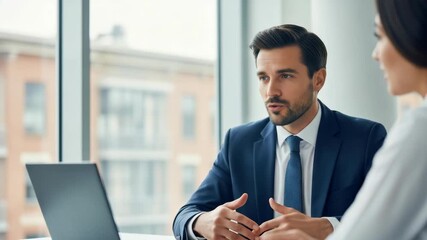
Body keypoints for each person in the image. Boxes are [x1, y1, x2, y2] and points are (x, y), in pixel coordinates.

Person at [172, 24, 387, 240]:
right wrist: (202, 222)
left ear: (318, 79)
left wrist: (329, 227)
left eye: (285, 76)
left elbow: (387, 219)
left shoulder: (365, 139)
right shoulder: (238, 143)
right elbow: (185, 216)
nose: (271, 91)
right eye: (263, 78)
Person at [257, 0, 427, 240]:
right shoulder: (238, 141)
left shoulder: (415, 131)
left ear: (411, 33)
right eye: (263, 77)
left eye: (380, 36)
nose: (375, 54)